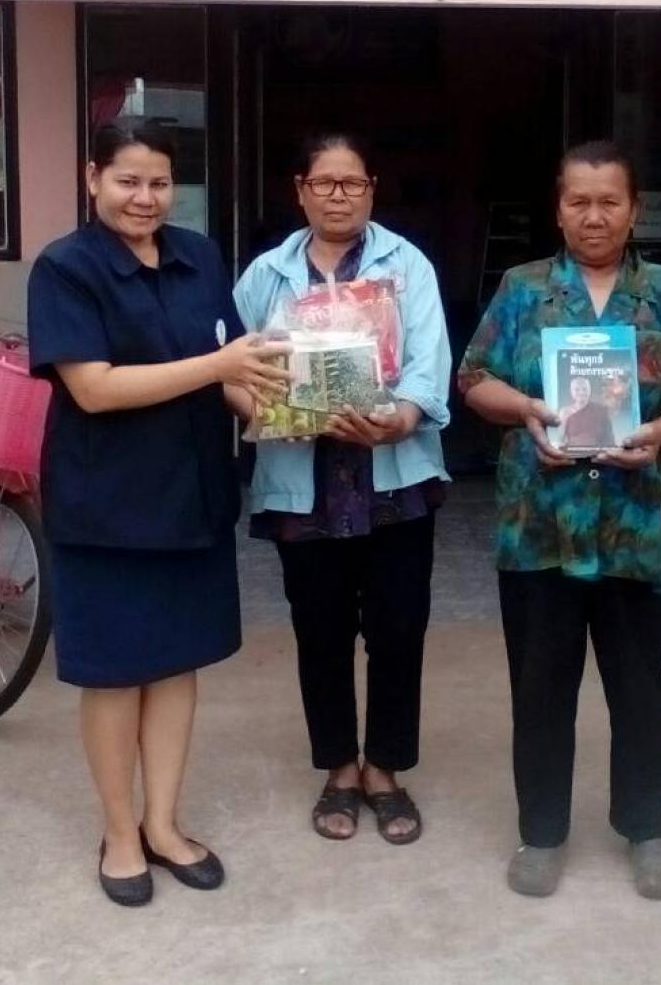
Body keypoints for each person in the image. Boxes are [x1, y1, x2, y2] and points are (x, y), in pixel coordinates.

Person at [28, 121, 290, 908]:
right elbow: (94, 389)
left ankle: (165, 825)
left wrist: (282, 411)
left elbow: (235, 373)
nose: (144, 198)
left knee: (176, 664)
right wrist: (219, 366)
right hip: (105, 508)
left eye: (159, 183)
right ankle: (119, 833)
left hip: (192, 497)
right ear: (93, 179)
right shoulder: (65, 268)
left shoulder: (198, 257)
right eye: (128, 181)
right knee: (115, 675)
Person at [458, 141, 661, 902]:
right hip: (539, 530)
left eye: (609, 201)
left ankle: (648, 830)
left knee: (640, 688)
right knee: (540, 687)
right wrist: (528, 410)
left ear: (634, 210)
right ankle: (541, 834)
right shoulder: (523, 288)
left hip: (636, 530)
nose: (594, 215)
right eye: (579, 201)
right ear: (559, 209)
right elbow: (474, 377)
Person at [234, 133, 452, 845]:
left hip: (394, 481)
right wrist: (267, 410)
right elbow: (235, 365)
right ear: (300, 190)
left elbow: (429, 360)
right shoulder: (266, 274)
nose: (338, 196)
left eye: (352, 183)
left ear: (371, 190)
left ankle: (385, 767)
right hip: (306, 489)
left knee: (399, 630)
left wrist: (404, 417)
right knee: (320, 634)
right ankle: (339, 768)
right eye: (324, 183)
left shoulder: (407, 266)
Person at [556, 374, 615, 452]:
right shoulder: (565, 412)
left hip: (597, 455)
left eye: (585, 389)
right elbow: (561, 440)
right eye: (577, 390)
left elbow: (610, 440)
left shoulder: (601, 411)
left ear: (589, 391)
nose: (581, 392)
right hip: (574, 455)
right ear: (571, 392)